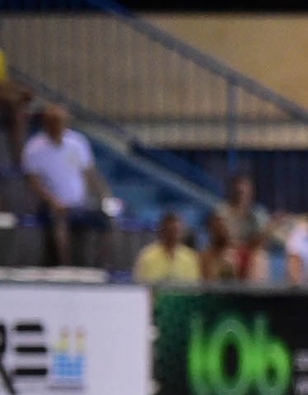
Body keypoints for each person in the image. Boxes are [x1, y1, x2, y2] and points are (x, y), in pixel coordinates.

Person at [20, 105, 113, 268]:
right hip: (51, 205)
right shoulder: (34, 148)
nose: (57, 126)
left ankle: (101, 266)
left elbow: (89, 173)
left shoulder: (77, 143)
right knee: (60, 221)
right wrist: (53, 201)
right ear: (46, 123)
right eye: (53, 122)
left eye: (61, 122)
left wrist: (105, 195)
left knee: (108, 220)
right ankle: (66, 266)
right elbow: (33, 182)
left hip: (79, 203)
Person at [221, 172, 273, 281]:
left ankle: (257, 296)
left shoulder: (259, 213)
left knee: (260, 257)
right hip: (231, 251)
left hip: (252, 252)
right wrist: (247, 243)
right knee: (228, 257)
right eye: (239, 191)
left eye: (245, 190)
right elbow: (225, 240)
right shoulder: (223, 211)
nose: (242, 193)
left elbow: (262, 242)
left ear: (251, 192)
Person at [133, 211, 203, 284]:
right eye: (170, 230)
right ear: (162, 231)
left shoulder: (190, 258)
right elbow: (140, 286)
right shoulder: (147, 256)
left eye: (176, 230)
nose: (173, 234)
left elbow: (194, 288)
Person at [198, 211, 239, 282]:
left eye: (225, 225)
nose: (222, 230)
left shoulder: (241, 255)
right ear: (211, 230)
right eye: (219, 226)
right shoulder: (203, 257)